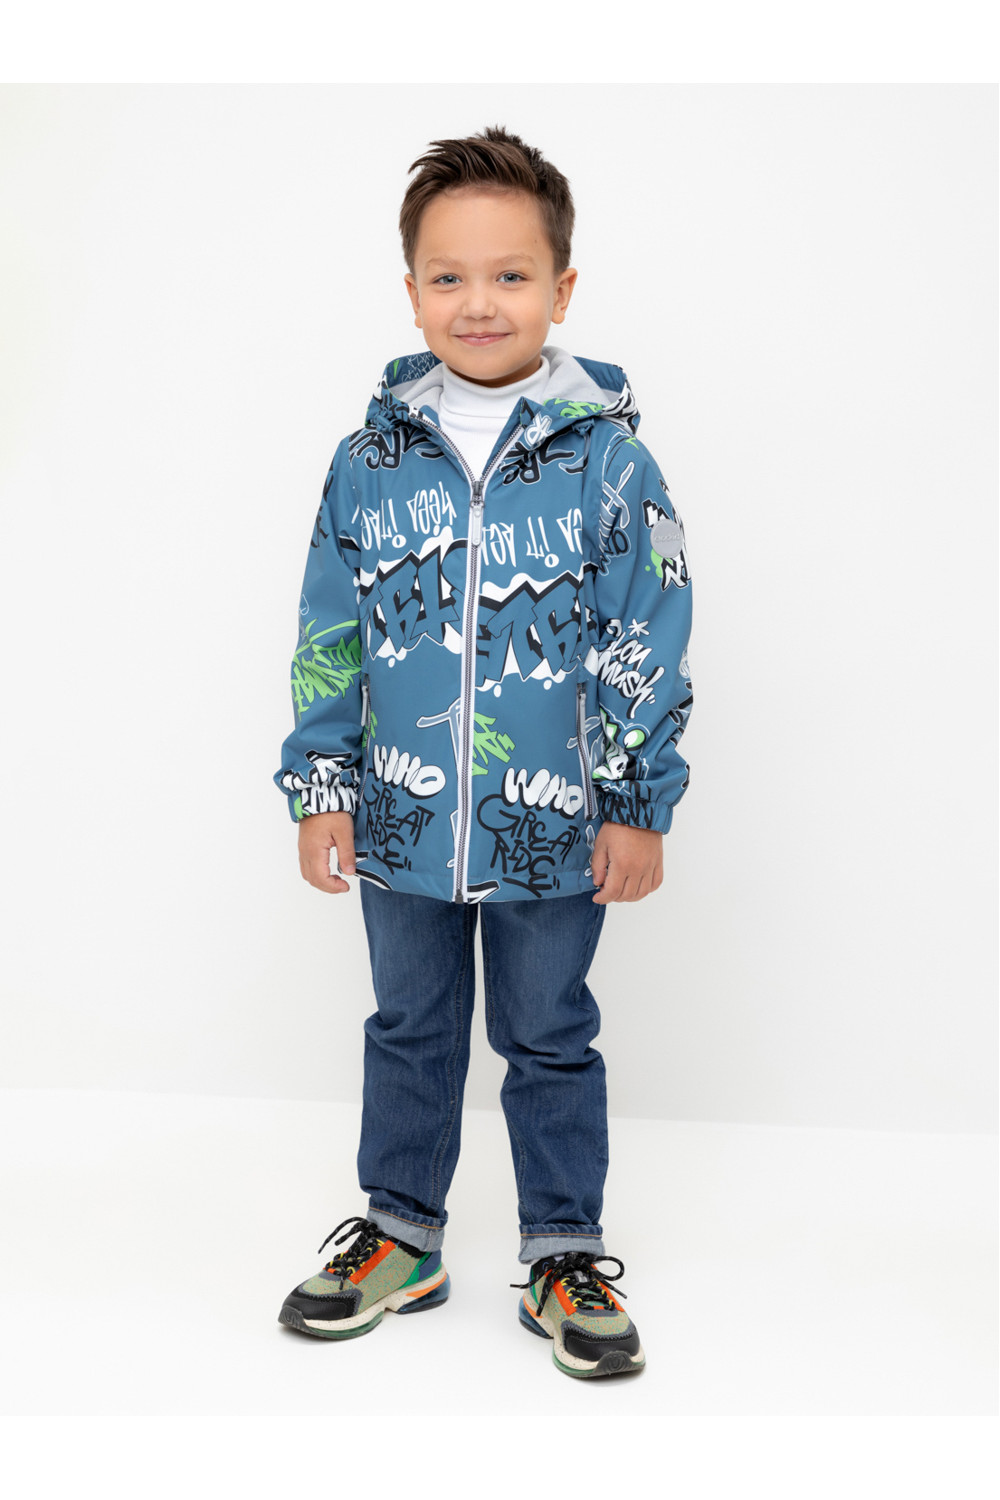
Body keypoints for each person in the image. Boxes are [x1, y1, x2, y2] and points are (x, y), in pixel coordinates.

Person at [272, 126, 693, 1379]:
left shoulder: (610, 463)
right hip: (398, 823)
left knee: (548, 1032)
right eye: (449, 276)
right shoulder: (366, 462)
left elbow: (649, 631)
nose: (479, 302)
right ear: (410, 291)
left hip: (555, 825)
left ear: (562, 288)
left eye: (510, 275)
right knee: (408, 1025)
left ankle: (563, 1248)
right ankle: (401, 1233)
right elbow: (329, 632)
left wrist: (638, 802)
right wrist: (321, 785)